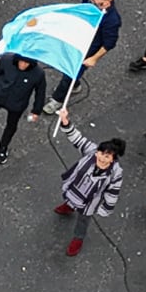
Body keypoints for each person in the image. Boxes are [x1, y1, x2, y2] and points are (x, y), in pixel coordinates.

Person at [53, 106, 126, 256]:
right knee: (70, 198)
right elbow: (77, 138)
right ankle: (69, 206)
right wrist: (65, 121)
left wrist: (105, 208)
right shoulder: (91, 151)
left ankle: (78, 239)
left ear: (113, 159)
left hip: (90, 201)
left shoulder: (115, 173)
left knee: (83, 220)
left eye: (107, 156)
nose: (101, 157)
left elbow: (112, 193)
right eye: (101, 153)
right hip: (76, 187)